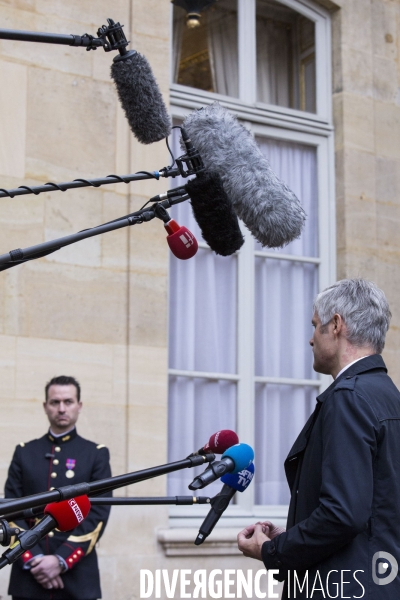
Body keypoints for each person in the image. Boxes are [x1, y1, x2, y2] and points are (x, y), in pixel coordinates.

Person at [237, 279, 400, 599]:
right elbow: (373, 511)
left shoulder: (349, 397)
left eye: (315, 326)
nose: (311, 339)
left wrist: (273, 550)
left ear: (336, 325)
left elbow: (343, 515)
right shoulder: (389, 396)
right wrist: (297, 531)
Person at [4, 375, 112, 600]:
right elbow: (11, 510)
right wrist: (34, 557)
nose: (61, 408)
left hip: (77, 578)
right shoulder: (24, 452)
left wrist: (60, 560)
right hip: (28, 578)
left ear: (79, 406)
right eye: (55, 402)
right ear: (45, 406)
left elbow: (97, 514)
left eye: (68, 401)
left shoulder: (96, 454)